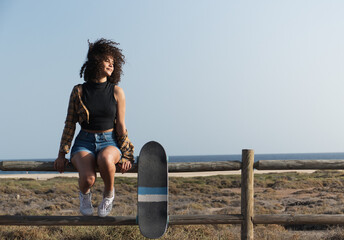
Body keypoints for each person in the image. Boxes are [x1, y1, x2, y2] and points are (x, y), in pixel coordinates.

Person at [54, 39, 134, 217]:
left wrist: (127, 154)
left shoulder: (117, 92)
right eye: (107, 60)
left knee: (106, 159)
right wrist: (62, 155)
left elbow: (121, 126)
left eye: (113, 62)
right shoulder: (78, 91)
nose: (111, 64)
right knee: (88, 178)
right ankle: (85, 195)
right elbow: (69, 124)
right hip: (84, 142)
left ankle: (108, 193)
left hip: (109, 141)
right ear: (96, 60)